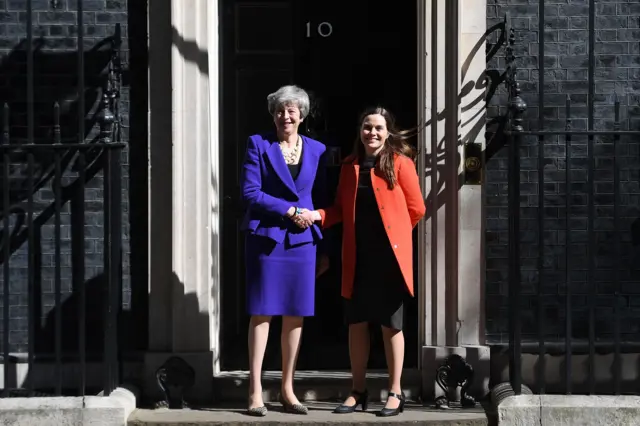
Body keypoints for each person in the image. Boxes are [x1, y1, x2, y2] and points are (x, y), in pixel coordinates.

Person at [308, 106, 426, 417]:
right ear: (359, 132)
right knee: (356, 323)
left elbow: (417, 209)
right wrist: (317, 216)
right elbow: (338, 209)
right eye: (366, 127)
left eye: (377, 128)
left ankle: (396, 392)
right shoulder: (350, 166)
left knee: (391, 325)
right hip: (357, 256)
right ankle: (357, 391)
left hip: (388, 258)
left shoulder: (401, 164)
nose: (371, 133)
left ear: (388, 132)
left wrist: (396, 236)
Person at [240, 85, 328, 416]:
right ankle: (254, 391)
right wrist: (290, 211)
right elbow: (250, 193)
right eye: (279, 110)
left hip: (303, 242)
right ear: (272, 114)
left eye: (292, 110)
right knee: (262, 312)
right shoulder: (258, 145)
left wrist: (322, 238)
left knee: (295, 314)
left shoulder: (317, 150)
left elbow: (322, 199)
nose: (285, 116)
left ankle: (288, 389)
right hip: (268, 237)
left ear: (302, 115)